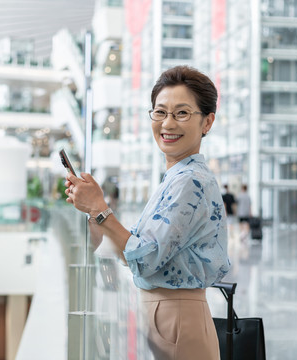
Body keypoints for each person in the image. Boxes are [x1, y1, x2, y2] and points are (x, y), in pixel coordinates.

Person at [65, 65, 231, 359]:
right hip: (167, 315)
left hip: (177, 316)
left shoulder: (190, 181)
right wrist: (93, 211)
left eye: (181, 113)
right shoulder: (176, 177)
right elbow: (133, 254)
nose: (167, 123)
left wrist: (101, 210)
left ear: (207, 122)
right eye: (160, 112)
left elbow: (147, 258)